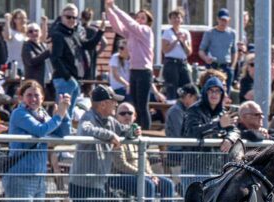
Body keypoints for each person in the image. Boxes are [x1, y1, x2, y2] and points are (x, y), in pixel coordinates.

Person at [4, 80, 69, 202]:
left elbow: (62, 133)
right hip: (21, 176)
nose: (33, 99)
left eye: (36, 95)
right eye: (29, 95)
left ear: (43, 98)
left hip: (39, 177)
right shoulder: (19, 113)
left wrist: (64, 113)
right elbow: (41, 131)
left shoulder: (43, 114)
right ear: (21, 97)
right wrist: (58, 116)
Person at [69, 85, 126, 202]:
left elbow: (123, 130)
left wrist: (133, 132)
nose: (116, 105)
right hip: (82, 183)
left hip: (99, 183)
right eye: (113, 102)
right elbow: (85, 130)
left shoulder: (111, 121)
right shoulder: (88, 117)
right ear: (103, 104)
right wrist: (110, 135)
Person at [107, 102, 176, 202]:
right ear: (116, 116)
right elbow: (120, 164)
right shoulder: (116, 135)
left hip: (140, 175)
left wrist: (151, 174)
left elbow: (145, 160)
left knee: (168, 184)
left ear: (135, 116)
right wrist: (144, 175)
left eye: (130, 113)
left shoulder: (137, 135)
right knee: (147, 184)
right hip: (119, 176)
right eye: (122, 113)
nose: (126, 116)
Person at [179, 76, 236, 202]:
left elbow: (234, 130)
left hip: (214, 168)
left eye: (218, 91)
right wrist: (217, 125)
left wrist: (230, 138)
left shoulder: (223, 112)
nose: (214, 94)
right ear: (205, 93)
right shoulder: (194, 110)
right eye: (211, 91)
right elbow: (191, 132)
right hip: (193, 167)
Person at [105, 0, 153, 130]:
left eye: (143, 18)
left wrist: (115, 8)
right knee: (135, 105)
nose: (139, 19)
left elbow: (130, 23)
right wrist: (109, 10)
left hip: (144, 72)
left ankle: (145, 133)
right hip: (134, 71)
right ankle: (136, 131)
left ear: (148, 22)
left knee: (142, 105)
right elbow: (117, 27)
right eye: (138, 17)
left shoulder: (146, 30)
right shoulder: (132, 33)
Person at [51, 4, 105, 120]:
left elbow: (88, 45)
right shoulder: (58, 34)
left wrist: (100, 31)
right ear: (62, 17)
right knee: (62, 114)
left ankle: (67, 130)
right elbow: (55, 59)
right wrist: (68, 77)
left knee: (69, 115)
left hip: (74, 79)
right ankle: (60, 132)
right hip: (64, 79)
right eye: (68, 17)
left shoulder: (73, 33)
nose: (72, 20)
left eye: (75, 18)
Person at [198, 9, 237, 90]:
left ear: (229, 20)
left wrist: (232, 67)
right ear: (217, 19)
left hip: (226, 66)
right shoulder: (209, 33)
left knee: (226, 90)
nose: (223, 22)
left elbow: (234, 51)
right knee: (210, 89)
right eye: (221, 20)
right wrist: (205, 58)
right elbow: (201, 50)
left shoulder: (232, 33)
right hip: (213, 66)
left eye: (225, 20)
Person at [161, 9, 193, 99]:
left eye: (178, 17)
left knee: (188, 86)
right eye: (174, 18)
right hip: (171, 63)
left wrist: (183, 42)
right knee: (172, 88)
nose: (176, 20)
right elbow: (165, 50)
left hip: (182, 62)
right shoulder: (167, 32)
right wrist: (176, 40)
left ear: (182, 19)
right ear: (170, 20)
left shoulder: (186, 32)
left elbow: (189, 52)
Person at [3, 9, 28, 75]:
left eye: (25, 18)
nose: (23, 20)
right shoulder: (12, 32)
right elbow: (7, 36)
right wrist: (7, 21)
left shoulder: (28, 34)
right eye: (20, 18)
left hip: (26, 66)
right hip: (14, 66)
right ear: (14, 20)